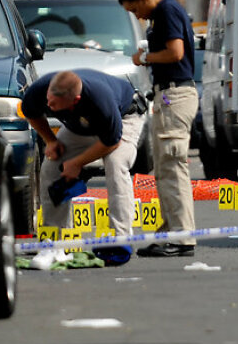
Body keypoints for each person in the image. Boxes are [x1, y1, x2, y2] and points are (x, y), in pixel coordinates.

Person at [119, 0, 199, 257]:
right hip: (170, 95)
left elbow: (175, 52)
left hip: (175, 95)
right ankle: (170, 231)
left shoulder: (166, 12)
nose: (137, 16)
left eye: (134, 9)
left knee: (173, 167)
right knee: (164, 169)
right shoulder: (167, 10)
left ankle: (181, 237)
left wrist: (145, 57)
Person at [21, 69, 146, 254]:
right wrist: (51, 141)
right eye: (48, 100)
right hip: (78, 125)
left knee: (115, 163)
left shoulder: (100, 99)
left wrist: (76, 163)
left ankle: (121, 239)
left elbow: (111, 142)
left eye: (54, 104)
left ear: (75, 100)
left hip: (124, 117)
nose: (48, 104)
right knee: (51, 168)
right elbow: (31, 113)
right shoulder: (39, 90)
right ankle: (54, 238)